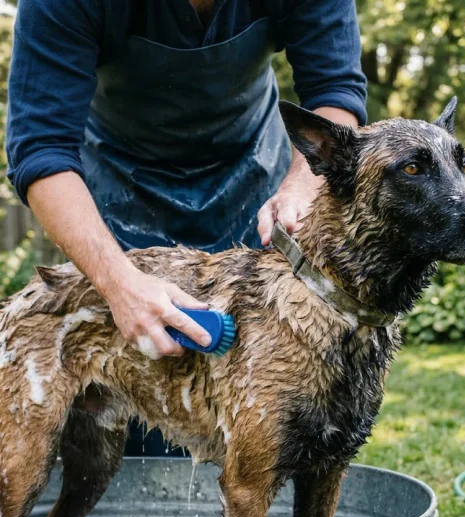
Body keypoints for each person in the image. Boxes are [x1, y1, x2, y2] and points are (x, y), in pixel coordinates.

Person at [7, 0, 367, 455]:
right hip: (116, 197)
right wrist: (118, 284)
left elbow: (334, 88)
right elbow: (40, 147)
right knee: (121, 437)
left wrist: (303, 182)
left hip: (252, 183)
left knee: (265, 430)